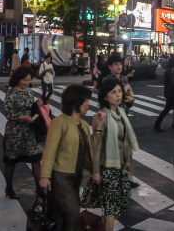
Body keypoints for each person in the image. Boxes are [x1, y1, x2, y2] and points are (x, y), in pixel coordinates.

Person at [39, 85, 105, 231]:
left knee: (64, 216)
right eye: (85, 100)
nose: (88, 104)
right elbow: (50, 150)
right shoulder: (59, 122)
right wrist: (45, 176)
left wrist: (98, 128)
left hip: (76, 175)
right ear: (76, 101)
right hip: (60, 176)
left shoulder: (83, 124)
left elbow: (90, 148)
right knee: (73, 214)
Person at [85, 77, 139, 231]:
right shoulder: (101, 116)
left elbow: (124, 141)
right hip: (107, 168)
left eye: (120, 91)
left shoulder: (121, 112)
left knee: (116, 208)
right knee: (111, 209)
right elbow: (97, 146)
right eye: (113, 92)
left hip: (121, 167)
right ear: (104, 97)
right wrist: (95, 171)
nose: (118, 95)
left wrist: (127, 161)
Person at [2, 66, 43, 199]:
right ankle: (9, 188)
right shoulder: (11, 92)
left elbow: (32, 108)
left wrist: (38, 105)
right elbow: (8, 112)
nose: (27, 82)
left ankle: (39, 188)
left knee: (35, 158)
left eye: (29, 80)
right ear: (18, 79)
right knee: (11, 161)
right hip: (14, 132)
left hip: (29, 131)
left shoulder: (30, 92)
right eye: (25, 80)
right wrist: (21, 117)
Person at [154, 58, 174, 132]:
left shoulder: (170, 71)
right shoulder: (170, 72)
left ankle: (158, 124)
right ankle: (158, 124)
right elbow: (173, 84)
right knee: (172, 109)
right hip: (171, 94)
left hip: (171, 94)